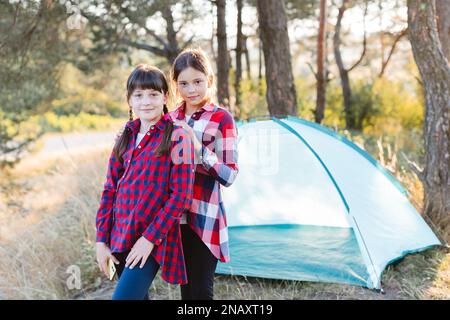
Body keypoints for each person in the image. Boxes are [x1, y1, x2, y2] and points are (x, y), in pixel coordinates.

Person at [95, 64, 194, 300]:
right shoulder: (124, 136)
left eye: (153, 94)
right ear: (129, 100)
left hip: (152, 237)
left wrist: (149, 238)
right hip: (119, 234)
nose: (146, 102)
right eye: (138, 95)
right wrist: (101, 239)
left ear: (165, 97)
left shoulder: (177, 136)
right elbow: (110, 189)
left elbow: (180, 196)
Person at [169, 48, 239, 300]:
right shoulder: (170, 118)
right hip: (173, 219)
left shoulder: (222, 118)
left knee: (200, 293)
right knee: (186, 292)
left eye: (198, 82)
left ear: (209, 80)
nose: (191, 90)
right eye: (184, 83)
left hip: (204, 218)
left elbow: (229, 175)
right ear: (176, 86)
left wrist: (198, 148)